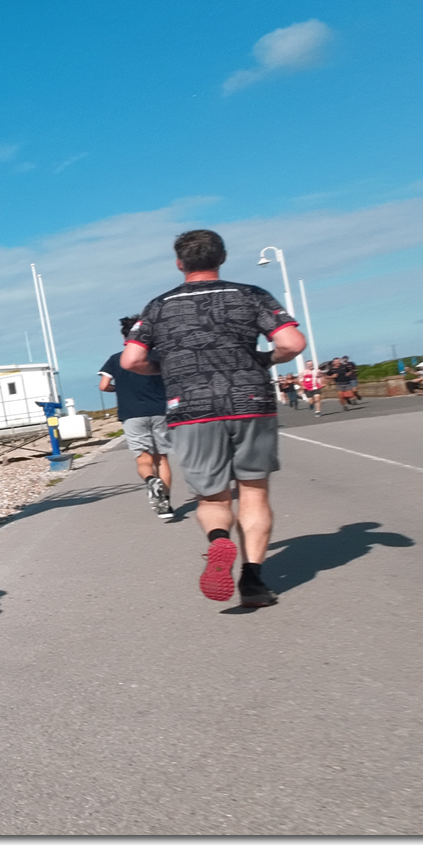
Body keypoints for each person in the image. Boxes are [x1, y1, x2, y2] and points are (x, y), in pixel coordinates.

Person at [121, 229, 306, 608]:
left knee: (212, 497)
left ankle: (219, 540)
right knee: (253, 492)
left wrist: (170, 368)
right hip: (250, 401)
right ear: (221, 258)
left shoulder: (158, 306)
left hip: (190, 409)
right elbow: (291, 344)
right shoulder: (250, 294)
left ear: (179, 263)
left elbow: (132, 360)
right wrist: (266, 359)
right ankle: (253, 581)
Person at [99, 316, 175, 520]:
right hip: (160, 411)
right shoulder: (157, 356)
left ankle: (150, 480)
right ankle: (165, 504)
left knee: (144, 459)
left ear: (124, 335)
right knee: (162, 459)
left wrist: (120, 388)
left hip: (131, 414)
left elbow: (103, 386)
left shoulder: (116, 359)